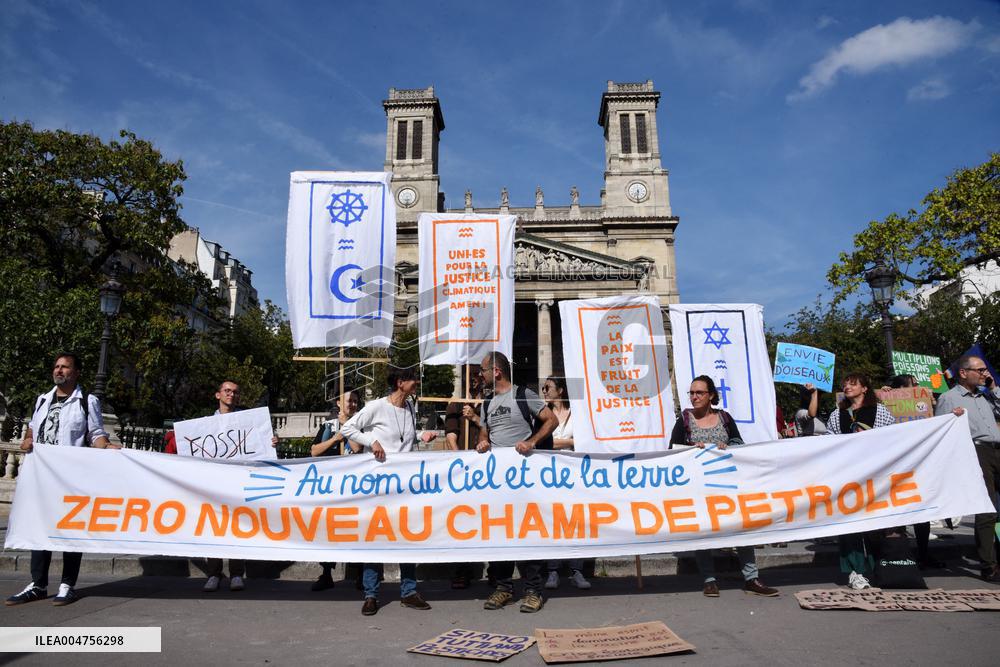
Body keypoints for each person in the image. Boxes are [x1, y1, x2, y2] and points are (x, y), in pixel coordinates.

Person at [6, 352, 118, 607]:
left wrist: (108, 447)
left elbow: (96, 435)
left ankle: (68, 584)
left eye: (65, 367)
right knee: (39, 530)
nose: (59, 370)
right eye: (56, 366)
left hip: (70, 479)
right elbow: (33, 429)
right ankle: (38, 584)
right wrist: (27, 440)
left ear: (76, 373)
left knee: (70, 530)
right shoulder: (42, 400)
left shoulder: (87, 401)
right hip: (42, 478)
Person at [669, 375, 779, 598]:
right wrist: (691, 449)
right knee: (704, 532)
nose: (694, 397)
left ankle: (751, 578)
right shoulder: (684, 420)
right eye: (691, 393)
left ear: (711, 395)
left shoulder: (725, 418)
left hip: (728, 486)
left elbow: (740, 445)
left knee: (741, 528)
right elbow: (672, 450)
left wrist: (727, 445)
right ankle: (709, 580)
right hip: (698, 488)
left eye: (699, 392)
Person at [341, 367, 433, 615]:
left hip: (406, 486)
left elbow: (405, 439)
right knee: (376, 537)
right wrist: (372, 442)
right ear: (401, 382)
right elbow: (347, 429)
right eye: (414, 380)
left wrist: (421, 436)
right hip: (380, 486)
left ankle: (409, 592)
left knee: (407, 536)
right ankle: (371, 594)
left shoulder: (410, 408)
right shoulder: (376, 406)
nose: (417, 384)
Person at [477, 352, 558, 613]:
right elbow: (484, 430)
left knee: (526, 534)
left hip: (523, 481)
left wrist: (532, 442)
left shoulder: (524, 395)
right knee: (499, 535)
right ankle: (503, 588)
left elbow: (551, 420)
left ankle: (533, 591)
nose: (482, 375)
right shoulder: (487, 402)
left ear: (496, 371)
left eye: (483, 371)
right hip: (496, 481)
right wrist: (482, 440)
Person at [826, 373, 896, 589]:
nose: (847, 387)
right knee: (849, 525)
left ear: (865, 388)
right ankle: (855, 571)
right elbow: (830, 441)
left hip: (875, 475)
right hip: (847, 476)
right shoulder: (838, 414)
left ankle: (877, 568)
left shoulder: (880, 411)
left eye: (853, 384)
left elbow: (893, 438)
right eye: (845, 384)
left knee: (875, 523)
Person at [935, 355, 1000, 583]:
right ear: (963, 373)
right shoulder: (949, 398)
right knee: (987, 508)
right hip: (976, 452)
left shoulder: (986, 396)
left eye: (985, 370)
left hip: (997, 448)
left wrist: (994, 388)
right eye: (980, 370)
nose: (985, 374)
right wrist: (952, 419)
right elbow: (940, 432)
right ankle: (989, 565)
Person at [886, 374, 946, 570]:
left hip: (919, 462)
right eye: (914, 384)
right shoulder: (886, 404)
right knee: (898, 509)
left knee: (922, 510)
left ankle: (923, 553)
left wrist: (932, 403)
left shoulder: (924, 401)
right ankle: (900, 553)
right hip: (897, 464)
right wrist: (884, 395)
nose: (918, 386)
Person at [540, 376, 591, 591]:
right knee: (552, 521)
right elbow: (542, 441)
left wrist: (558, 442)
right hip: (548, 474)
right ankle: (552, 570)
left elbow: (584, 439)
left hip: (573, 474)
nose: (543, 391)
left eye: (547, 387)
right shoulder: (543, 414)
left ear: (560, 391)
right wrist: (569, 442)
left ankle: (576, 570)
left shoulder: (576, 414)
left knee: (574, 521)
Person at [309, 390, 362, 592]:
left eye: (356, 401)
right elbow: (314, 451)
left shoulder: (360, 424)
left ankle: (359, 573)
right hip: (330, 487)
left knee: (355, 529)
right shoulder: (328, 425)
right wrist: (335, 439)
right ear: (339, 403)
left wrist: (348, 428)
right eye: (349, 400)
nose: (352, 404)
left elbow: (357, 449)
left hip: (354, 487)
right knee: (328, 530)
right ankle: (326, 573)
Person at [444, 367, 483, 589]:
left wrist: (476, 418)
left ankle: (497, 571)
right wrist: (461, 463)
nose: (474, 381)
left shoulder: (490, 401)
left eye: (477, 376)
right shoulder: (456, 403)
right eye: (471, 377)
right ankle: (462, 569)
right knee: (464, 522)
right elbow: (451, 436)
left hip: (486, 470)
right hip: (465, 471)